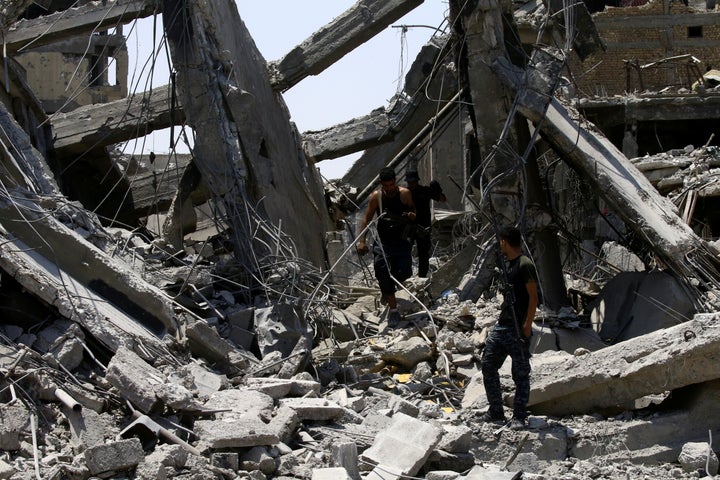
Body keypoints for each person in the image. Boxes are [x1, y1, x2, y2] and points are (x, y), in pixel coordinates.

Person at [480, 225, 539, 430]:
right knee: (488, 365)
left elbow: (534, 297)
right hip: (504, 324)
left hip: (517, 327)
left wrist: (527, 325)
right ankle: (496, 411)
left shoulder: (524, 264)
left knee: (520, 374)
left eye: (500, 241)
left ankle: (519, 416)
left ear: (505, 242)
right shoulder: (509, 265)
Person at [356, 167, 416, 327]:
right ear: (381, 184)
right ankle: (393, 310)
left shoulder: (405, 194)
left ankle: (388, 289)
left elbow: (413, 212)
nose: (388, 188)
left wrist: (411, 216)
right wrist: (362, 241)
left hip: (402, 241)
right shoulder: (377, 197)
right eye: (385, 185)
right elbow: (366, 220)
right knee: (381, 269)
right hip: (383, 242)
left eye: (391, 185)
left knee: (404, 272)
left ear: (395, 182)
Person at [405, 169, 446, 277]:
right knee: (405, 251)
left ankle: (422, 276)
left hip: (423, 227)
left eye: (413, 181)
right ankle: (406, 276)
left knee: (423, 253)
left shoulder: (425, 191)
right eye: (410, 182)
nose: (412, 184)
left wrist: (437, 189)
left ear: (417, 181)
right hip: (409, 227)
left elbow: (442, 199)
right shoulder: (405, 193)